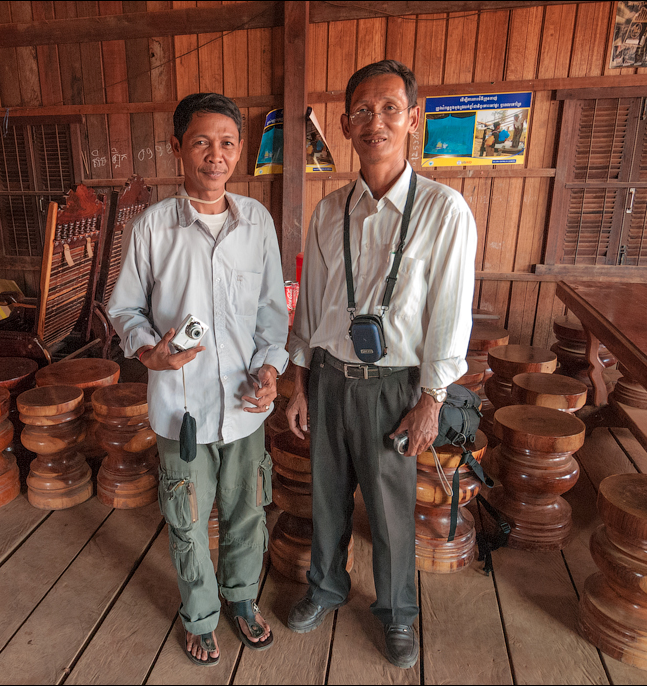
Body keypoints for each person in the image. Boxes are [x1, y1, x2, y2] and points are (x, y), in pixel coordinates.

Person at [284, 60, 476, 670]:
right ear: (345, 125)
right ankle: (325, 586)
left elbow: (449, 315)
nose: (376, 123)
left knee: (393, 510)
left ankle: (396, 612)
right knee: (327, 496)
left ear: (413, 120)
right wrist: (298, 384)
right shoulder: (328, 212)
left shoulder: (444, 211)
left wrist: (432, 400)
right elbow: (311, 308)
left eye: (390, 108)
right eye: (363, 111)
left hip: (397, 388)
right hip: (330, 379)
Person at [107, 92, 289, 667]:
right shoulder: (153, 227)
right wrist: (149, 352)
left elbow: (271, 313)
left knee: (248, 509)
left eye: (227, 142)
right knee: (186, 517)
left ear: (239, 150)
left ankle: (242, 598)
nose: (216, 155)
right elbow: (125, 309)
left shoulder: (256, 222)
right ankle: (201, 614)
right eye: (202, 142)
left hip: (245, 404)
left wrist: (271, 368)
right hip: (180, 405)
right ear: (177, 148)